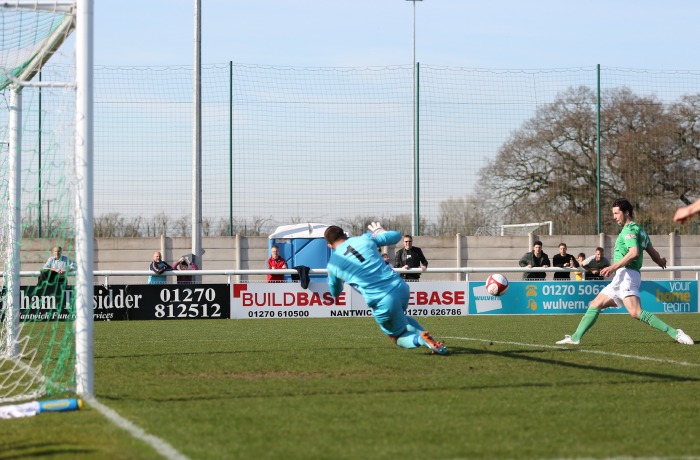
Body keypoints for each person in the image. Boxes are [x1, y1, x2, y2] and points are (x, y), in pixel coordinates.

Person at [556, 198, 694, 346]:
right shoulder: (640, 230)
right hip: (622, 277)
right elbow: (653, 253)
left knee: (636, 312)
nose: (614, 217)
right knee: (595, 304)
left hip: (627, 276)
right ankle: (576, 337)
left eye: (616, 213)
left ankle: (675, 332)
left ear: (626, 212)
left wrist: (612, 267)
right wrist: (661, 261)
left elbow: (634, 252)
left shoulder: (629, 230)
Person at [325, 222, 447, 355]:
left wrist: (337, 278)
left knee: (396, 337)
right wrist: (378, 230)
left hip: (382, 299)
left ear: (329, 245)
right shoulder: (364, 238)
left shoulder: (333, 264)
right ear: (345, 235)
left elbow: (335, 292)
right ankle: (432, 342)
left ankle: (421, 340)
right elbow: (396, 236)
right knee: (402, 317)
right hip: (400, 287)